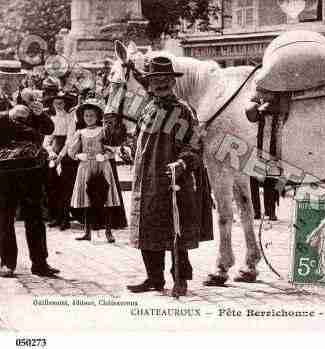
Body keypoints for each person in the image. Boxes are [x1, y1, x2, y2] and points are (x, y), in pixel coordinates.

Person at [106, 56, 213, 297]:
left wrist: (183, 162)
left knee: (176, 231)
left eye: (165, 80)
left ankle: (181, 279)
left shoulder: (183, 110)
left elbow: (195, 144)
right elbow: (142, 139)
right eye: (155, 80)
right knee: (147, 229)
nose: (160, 84)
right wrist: (131, 149)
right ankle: (154, 278)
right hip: (146, 178)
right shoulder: (147, 108)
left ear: (172, 82)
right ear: (149, 83)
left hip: (173, 178)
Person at [0, 87, 60, 277]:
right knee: (4, 219)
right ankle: (7, 263)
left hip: (32, 175)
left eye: (34, 98)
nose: (31, 101)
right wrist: (9, 115)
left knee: (35, 218)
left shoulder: (37, 115)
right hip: (6, 175)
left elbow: (49, 128)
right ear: (17, 98)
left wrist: (40, 114)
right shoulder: (4, 113)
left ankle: (40, 263)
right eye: (27, 99)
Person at [68, 98, 121, 243]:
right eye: (86, 116)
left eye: (92, 115)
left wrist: (105, 156)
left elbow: (113, 149)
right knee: (86, 199)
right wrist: (79, 155)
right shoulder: (80, 132)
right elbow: (71, 151)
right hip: (85, 167)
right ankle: (87, 231)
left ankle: (109, 231)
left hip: (102, 166)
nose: (89, 118)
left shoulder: (103, 131)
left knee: (106, 198)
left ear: (97, 117)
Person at [245, 88, 289, 221]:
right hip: (260, 140)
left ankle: (270, 211)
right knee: (255, 177)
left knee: (271, 178)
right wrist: (258, 107)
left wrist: (264, 107)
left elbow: (284, 110)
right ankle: (257, 211)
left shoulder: (282, 93)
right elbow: (250, 111)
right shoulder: (260, 91)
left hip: (273, 141)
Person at [43, 91, 77, 230]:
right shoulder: (51, 118)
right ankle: (55, 216)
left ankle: (65, 218)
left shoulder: (70, 118)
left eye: (61, 102)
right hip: (53, 154)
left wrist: (61, 156)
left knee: (65, 187)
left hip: (67, 154)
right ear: (52, 104)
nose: (58, 105)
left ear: (65, 103)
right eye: (55, 102)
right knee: (52, 187)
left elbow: (70, 139)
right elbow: (47, 140)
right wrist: (51, 152)